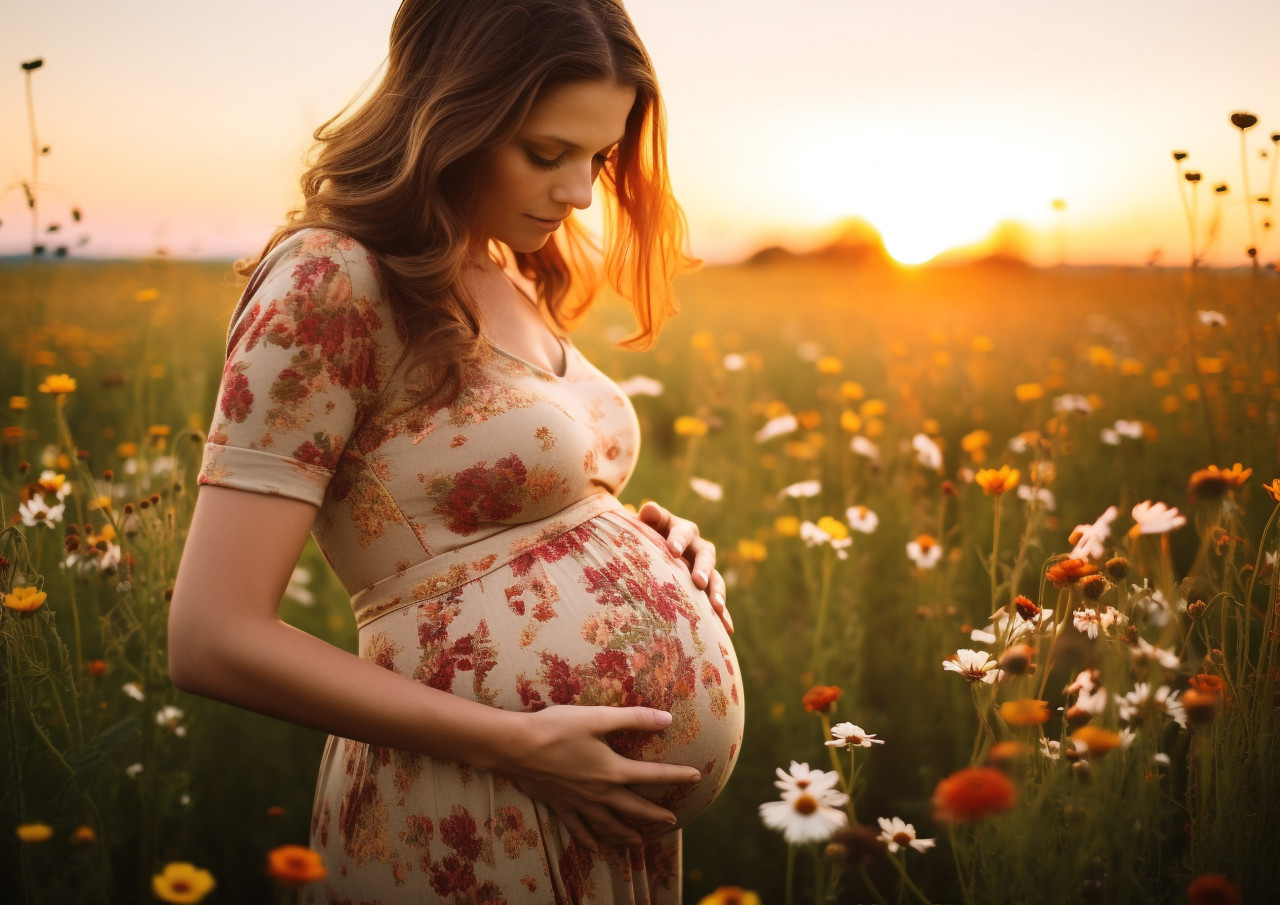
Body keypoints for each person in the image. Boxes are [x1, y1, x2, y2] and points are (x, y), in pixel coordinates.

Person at [167, 1, 744, 901]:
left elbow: (490, 510)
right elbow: (209, 637)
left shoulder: (506, 263)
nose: (581, 192)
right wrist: (521, 744)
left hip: (595, 815)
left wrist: (651, 549)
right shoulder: (333, 277)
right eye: (546, 154)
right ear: (449, 118)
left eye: (597, 157)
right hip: (465, 806)